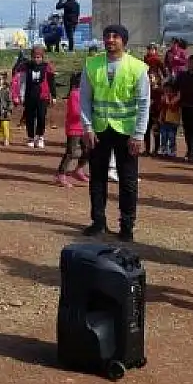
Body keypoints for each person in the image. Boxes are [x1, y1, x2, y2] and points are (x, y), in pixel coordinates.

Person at [79, 24, 151, 241]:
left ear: (124, 41)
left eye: (115, 36)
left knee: (127, 180)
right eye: (107, 36)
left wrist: (139, 134)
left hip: (126, 133)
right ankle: (98, 221)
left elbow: (144, 103)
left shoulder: (138, 68)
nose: (110, 40)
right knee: (97, 178)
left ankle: (127, 226)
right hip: (99, 130)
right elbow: (85, 100)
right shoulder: (92, 64)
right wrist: (87, 127)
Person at [12, 45, 56, 149]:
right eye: (34, 57)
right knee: (30, 117)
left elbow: (51, 82)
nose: (36, 59)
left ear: (42, 57)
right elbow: (20, 80)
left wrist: (53, 95)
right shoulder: (26, 66)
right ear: (31, 57)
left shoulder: (47, 67)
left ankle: (40, 137)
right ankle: (31, 137)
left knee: (41, 116)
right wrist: (20, 95)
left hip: (43, 96)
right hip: (29, 96)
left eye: (39, 57)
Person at [56, 71, 89, 187]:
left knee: (88, 150)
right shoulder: (74, 94)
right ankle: (61, 174)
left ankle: (79, 169)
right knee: (71, 152)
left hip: (84, 127)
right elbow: (75, 112)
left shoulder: (87, 93)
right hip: (74, 127)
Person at [159, 80, 181, 158]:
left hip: (173, 121)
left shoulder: (175, 97)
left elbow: (171, 105)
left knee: (172, 136)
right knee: (164, 135)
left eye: (168, 90)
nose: (166, 91)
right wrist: (160, 118)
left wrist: (167, 98)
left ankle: (172, 150)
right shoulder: (163, 97)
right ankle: (163, 149)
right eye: (165, 90)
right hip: (165, 119)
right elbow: (162, 109)